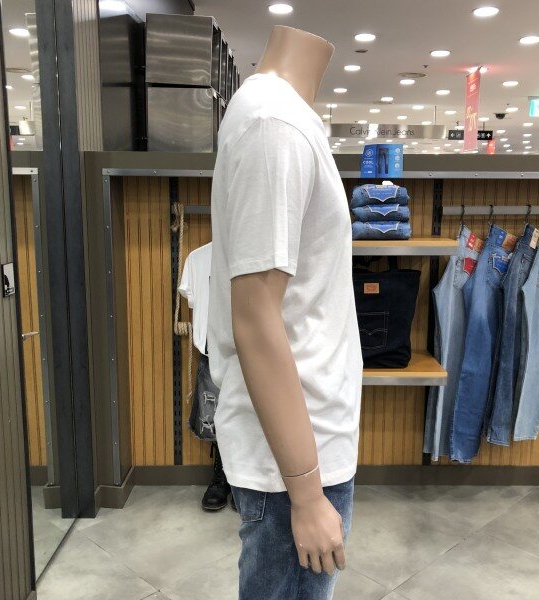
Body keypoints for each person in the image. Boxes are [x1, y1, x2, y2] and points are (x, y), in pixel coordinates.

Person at [207, 25, 363, 599]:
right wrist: (305, 493)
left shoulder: (284, 118)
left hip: (305, 445)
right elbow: (255, 319)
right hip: (294, 461)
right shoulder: (275, 124)